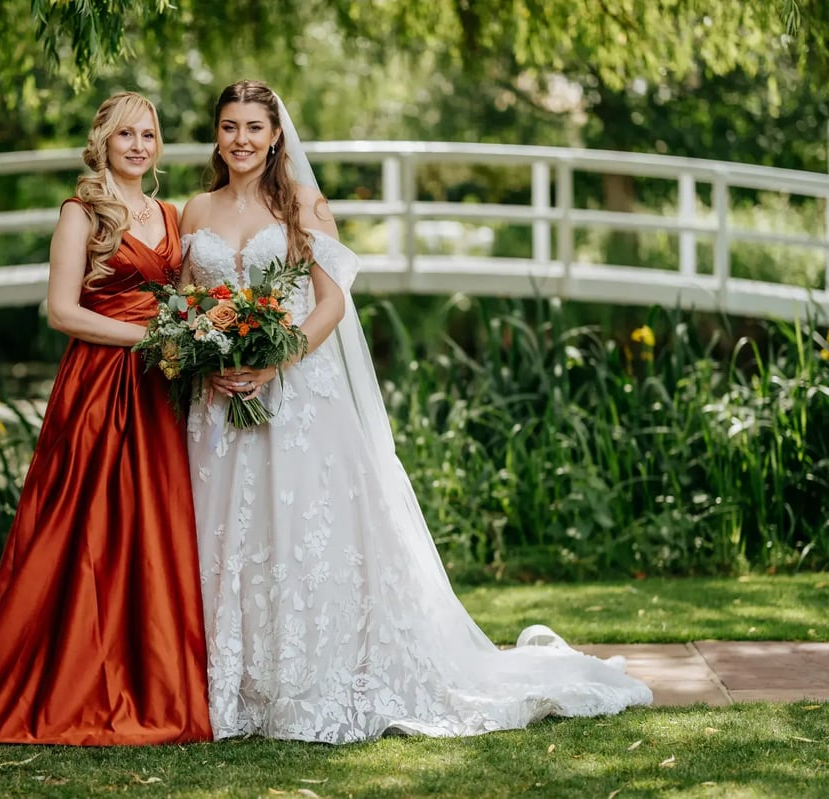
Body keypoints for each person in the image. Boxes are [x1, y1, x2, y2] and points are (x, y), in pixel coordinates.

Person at [179, 80, 652, 744]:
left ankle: (302, 682)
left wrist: (273, 357)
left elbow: (330, 303)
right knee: (228, 538)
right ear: (216, 133)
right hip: (217, 401)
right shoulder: (194, 211)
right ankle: (231, 683)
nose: (241, 140)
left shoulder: (304, 206)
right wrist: (207, 353)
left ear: (276, 134)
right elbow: (184, 304)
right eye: (229, 126)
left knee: (292, 531)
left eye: (254, 127)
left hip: (293, 393)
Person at [0, 92, 212, 745]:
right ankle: (70, 666)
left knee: (152, 529)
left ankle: (153, 669)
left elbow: (183, 299)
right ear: (103, 140)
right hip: (100, 386)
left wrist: (197, 334)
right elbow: (61, 311)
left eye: (148, 134)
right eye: (126, 134)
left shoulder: (169, 213)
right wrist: (144, 339)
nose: (138, 145)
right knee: (85, 528)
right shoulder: (81, 214)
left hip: (157, 391)